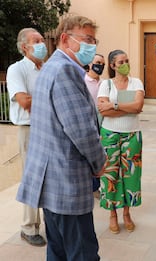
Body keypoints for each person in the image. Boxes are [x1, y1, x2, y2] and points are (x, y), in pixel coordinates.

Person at [15, 16, 106, 260]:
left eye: (93, 41)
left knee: (59, 251)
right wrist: (100, 163)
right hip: (66, 184)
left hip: (54, 184)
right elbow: (82, 130)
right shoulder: (65, 70)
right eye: (86, 40)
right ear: (65, 39)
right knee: (82, 254)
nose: (91, 46)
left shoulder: (51, 67)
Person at [6, 28, 47, 247]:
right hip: (29, 129)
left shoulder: (47, 68)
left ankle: (49, 222)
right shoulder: (16, 69)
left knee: (50, 176)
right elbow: (24, 101)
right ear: (25, 47)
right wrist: (48, 99)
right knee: (32, 178)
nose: (42, 44)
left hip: (49, 128)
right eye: (37, 41)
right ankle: (29, 227)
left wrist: (38, 99)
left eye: (42, 40)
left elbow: (37, 99)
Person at [97, 49, 145, 234]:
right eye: (121, 62)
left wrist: (114, 105)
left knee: (131, 176)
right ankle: (112, 215)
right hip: (110, 135)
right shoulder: (106, 85)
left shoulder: (136, 82)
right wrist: (129, 108)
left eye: (127, 60)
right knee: (110, 175)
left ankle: (126, 213)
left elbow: (139, 105)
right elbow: (103, 111)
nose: (125, 64)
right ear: (112, 65)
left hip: (132, 134)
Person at [84, 53, 106, 197]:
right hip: (88, 123)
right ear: (90, 64)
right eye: (98, 62)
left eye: (102, 64)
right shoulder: (82, 81)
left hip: (103, 123)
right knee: (89, 155)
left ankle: (99, 187)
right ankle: (91, 187)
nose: (100, 66)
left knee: (101, 154)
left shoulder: (104, 83)